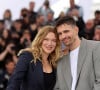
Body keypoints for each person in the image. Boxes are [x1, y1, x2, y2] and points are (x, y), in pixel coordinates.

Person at [6, 25, 61, 90]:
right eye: (46, 39)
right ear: (40, 39)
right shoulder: (27, 56)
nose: (50, 43)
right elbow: (15, 81)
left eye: (54, 40)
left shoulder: (54, 62)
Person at [54, 16, 100, 90]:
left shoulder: (96, 48)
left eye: (66, 31)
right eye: (60, 34)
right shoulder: (61, 59)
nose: (63, 36)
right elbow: (58, 87)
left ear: (76, 30)